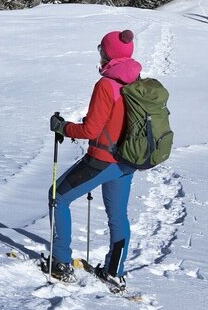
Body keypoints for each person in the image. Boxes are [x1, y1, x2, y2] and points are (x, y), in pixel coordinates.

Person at [45, 29, 141, 287]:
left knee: (58, 197)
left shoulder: (106, 85)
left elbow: (91, 130)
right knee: (118, 216)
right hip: (127, 161)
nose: (100, 53)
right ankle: (114, 271)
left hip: (102, 159)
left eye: (102, 49)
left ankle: (61, 262)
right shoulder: (135, 80)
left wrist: (63, 128)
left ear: (109, 53)